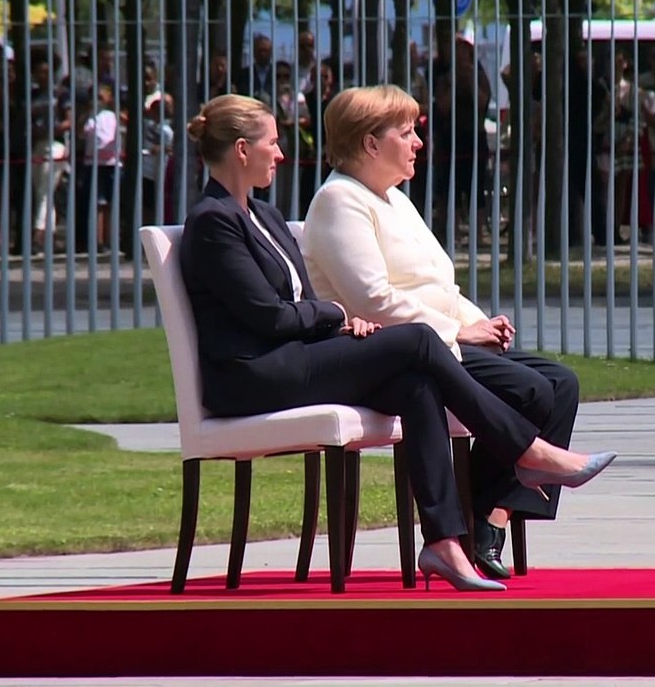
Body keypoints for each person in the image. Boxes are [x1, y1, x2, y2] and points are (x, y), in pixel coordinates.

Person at [178, 94, 616, 592]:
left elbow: (297, 304)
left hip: (294, 356)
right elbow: (269, 316)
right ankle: (526, 449)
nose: (281, 154)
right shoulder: (213, 221)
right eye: (273, 143)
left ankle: (445, 541)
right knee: (419, 343)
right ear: (241, 150)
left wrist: (339, 326)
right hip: (252, 375)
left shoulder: (267, 216)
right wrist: (339, 315)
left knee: (415, 385)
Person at [299, 84, 584, 581]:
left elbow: (440, 285)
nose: (418, 143)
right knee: (531, 391)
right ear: (370, 143)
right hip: (400, 349)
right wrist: (460, 331)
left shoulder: (393, 200)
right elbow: (373, 301)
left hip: (445, 337)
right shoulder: (339, 201)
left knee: (562, 384)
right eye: (406, 132)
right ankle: (486, 515)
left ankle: (489, 517)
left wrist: (479, 322)